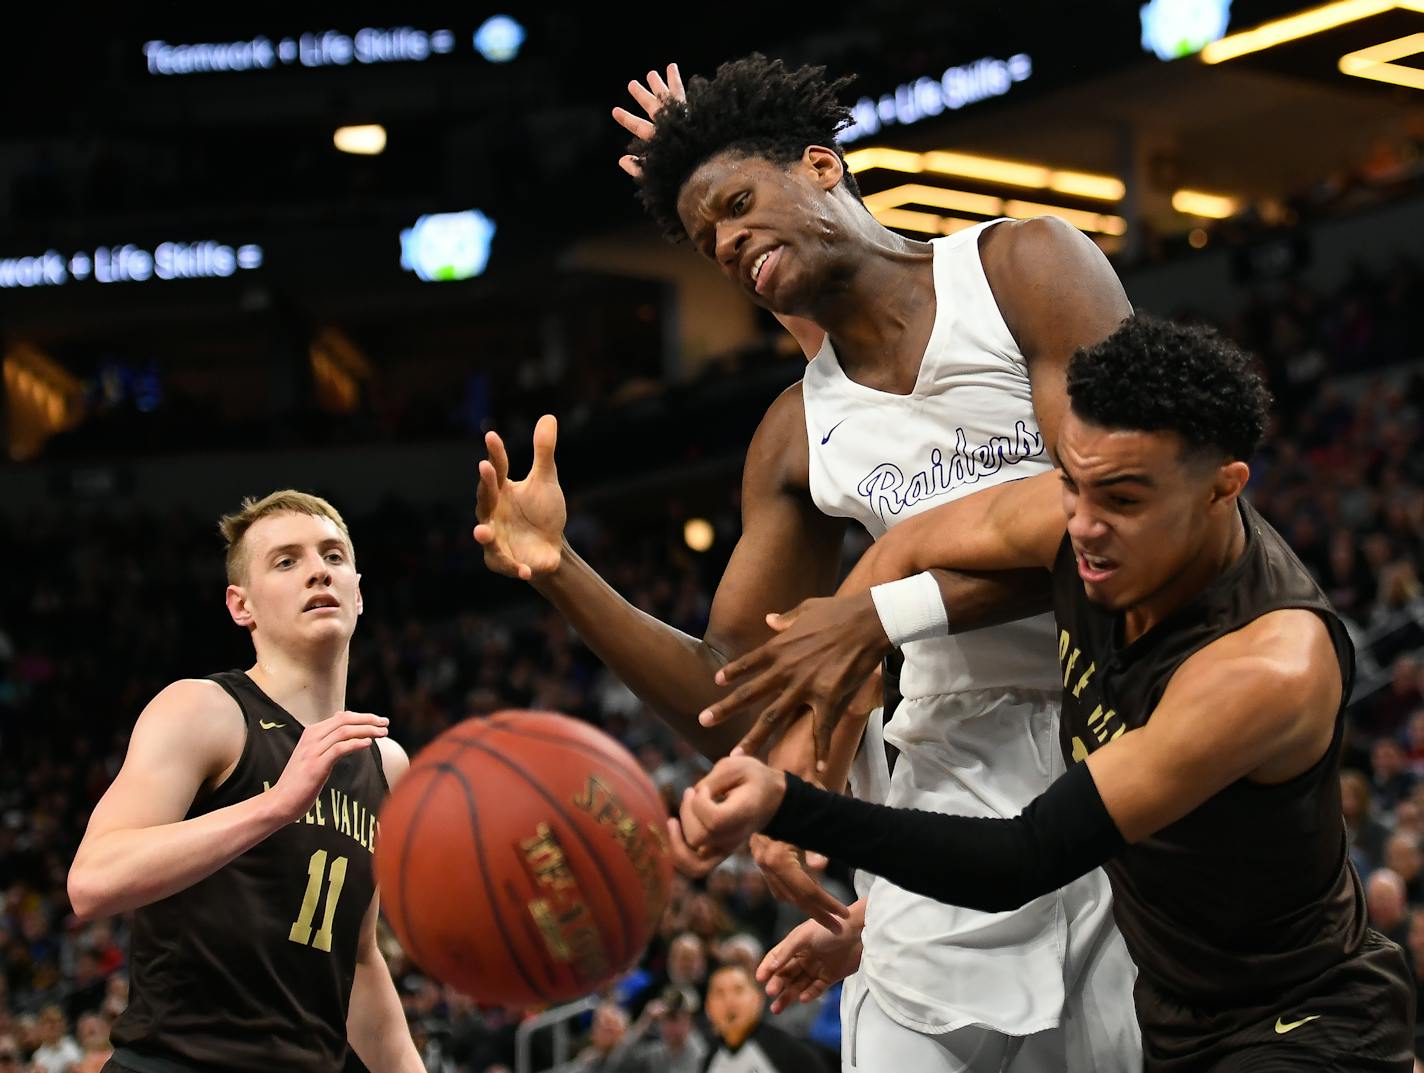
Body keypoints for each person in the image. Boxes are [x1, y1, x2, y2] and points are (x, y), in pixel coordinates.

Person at [476, 55, 1139, 1071]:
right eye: (709, 239)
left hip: (1121, 764)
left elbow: (1119, 522)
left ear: (823, 167)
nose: (730, 241)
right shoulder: (797, 434)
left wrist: (886, 612)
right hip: (932, 810)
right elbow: (731, 692)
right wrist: (559, 567)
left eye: (739, 204)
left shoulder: (1023, 269)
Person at [683, 316, 1416, 1071]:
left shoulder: (1265, 666)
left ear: (1223, 490)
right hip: (1175, 1017)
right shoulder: (1073, 521)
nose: (1085, 527)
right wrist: (829, 765)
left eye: (1123, 499)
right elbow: (900, 546)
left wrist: (789, 800)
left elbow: (1024, 855)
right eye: (1073, 482)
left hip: (1304, 1021)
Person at [66, 491, 423, 1073]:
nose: (317, 571)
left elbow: (357, 962)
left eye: (333, 556)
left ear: (359, 591)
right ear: (242, 606)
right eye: (286, 561)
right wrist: (275, 806)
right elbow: (92, 882)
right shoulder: (203, 710)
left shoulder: (385, 763)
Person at [700, 964, 826, 1073]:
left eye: (738, 990)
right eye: (719, 993)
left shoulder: (789, 1051)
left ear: (758, 999)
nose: (729, 1001)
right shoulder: (709, 1057)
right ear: (708, 1007)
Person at [605, 986, 709, 1073]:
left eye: (674, 1018)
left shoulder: (703, 1053)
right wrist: (643, 1023)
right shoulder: (657, 1053)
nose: (667, 1025)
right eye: (663, 1018)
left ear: (690, 1021)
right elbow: (616, 1066)